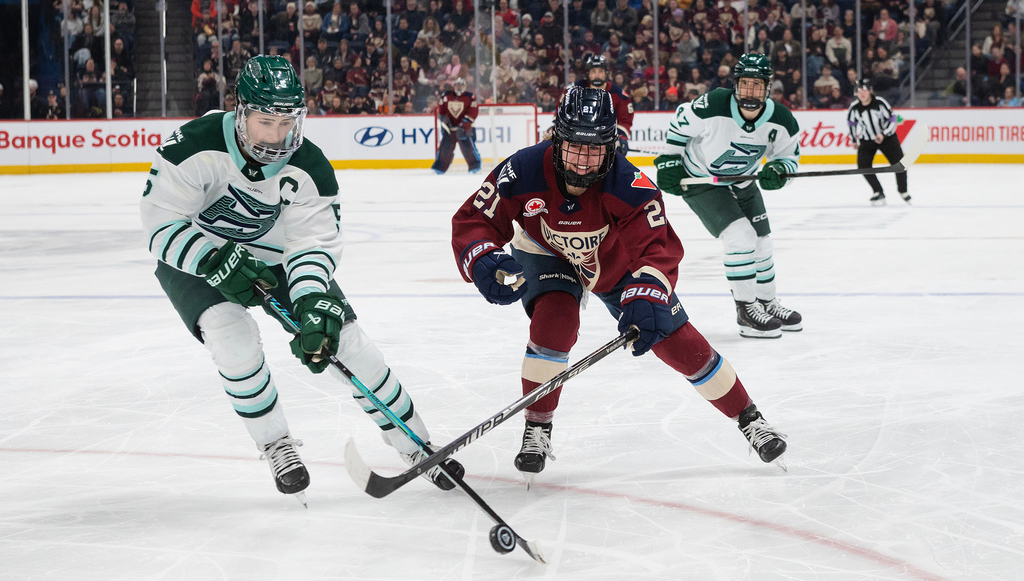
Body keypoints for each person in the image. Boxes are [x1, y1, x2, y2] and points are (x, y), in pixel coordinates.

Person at [140, 56, 464, 502]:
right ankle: (275, 443)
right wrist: (213, 258)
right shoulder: (194, 145)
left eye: (286, 124)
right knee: (230, 337)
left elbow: (311, 245)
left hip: (275, 260)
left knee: (347, 343)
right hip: (197, 257)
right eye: (264, 123)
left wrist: (312, 300)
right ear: (241, 114)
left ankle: (418, 446)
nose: (276, 137)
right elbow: (160, 224)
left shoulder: (309, 166)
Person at [450, 86, 787, 485]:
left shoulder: (628, 183)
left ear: (611, 147)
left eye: (595, 150)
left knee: (674, 338)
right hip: (545, 253)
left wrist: (646, 292)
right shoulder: (521, 169)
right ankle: (538, 425)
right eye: (575, 147)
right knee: (553, 324)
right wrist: (482, 256)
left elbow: (657, 248)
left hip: (614, 263)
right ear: (556, 138)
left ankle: (749, 417)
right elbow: (475, 220)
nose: (583, 162)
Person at [653, 53, 803, 339]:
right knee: (740, 237)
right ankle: (746, 310)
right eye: (745, 84)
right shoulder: (714, 104)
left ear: (768, 88)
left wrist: (780, 170)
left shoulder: (781, 120)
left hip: (742, 180)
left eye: (757, 85)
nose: (750, 91)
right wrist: (670, 160)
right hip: (700, 180)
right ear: (736, 85)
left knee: (762, 242)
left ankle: (766, 302)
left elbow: (788, 157)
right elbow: (681, 123)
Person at [845, 78, 910, 205]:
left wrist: (883, 134)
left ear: (870, 91)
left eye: (864, 90)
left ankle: (903, 191)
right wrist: (854, 139)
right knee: (863, 167)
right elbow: (852, 124)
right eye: (858, 91)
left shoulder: (880, 103)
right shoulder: (854, 107)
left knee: (900, 165)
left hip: (888, 139)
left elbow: (892, 119)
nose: (861, 93)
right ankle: (878, 191)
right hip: (867, 140)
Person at [431, 78, 481, 174]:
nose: (459, 87)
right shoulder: (446, 95)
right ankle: (439, 168)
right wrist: (445, 121)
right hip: (450, 129)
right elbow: (441, 111)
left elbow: (473, 112)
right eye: (457, 85)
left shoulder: (470, 97)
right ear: (454, 86)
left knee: (468, 147)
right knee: (445, 147)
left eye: (461, 85)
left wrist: (463, 125)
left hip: (464, 128)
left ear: (464, 86)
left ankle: (475, 167)